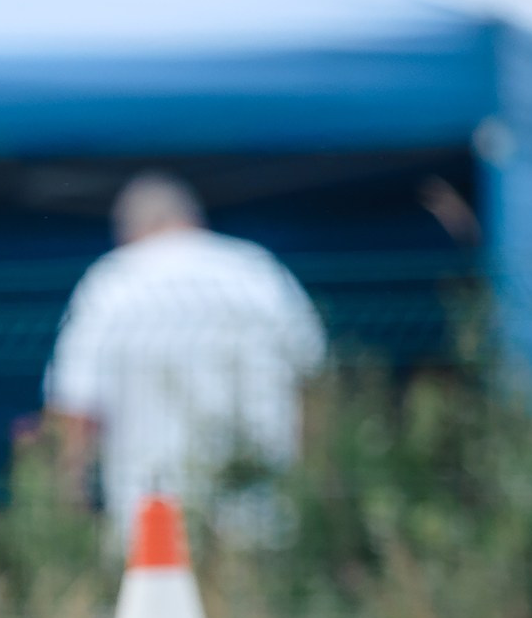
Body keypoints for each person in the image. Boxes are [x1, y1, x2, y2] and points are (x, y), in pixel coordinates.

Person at [42, 172, 325, 541]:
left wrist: (70, 509)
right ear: (195, 218)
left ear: (129, 230)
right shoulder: (257, 272)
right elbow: (315, 384)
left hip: (148, 513)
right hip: (259, 507)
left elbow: (73, 409)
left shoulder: (113, 283)